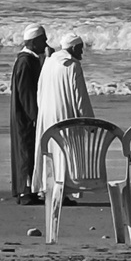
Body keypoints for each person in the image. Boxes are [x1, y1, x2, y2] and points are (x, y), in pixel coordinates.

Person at [32, 33, 96, 197]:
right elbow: (80, 96)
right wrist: (89, 122)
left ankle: (46, 187)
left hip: (46, 113)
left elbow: (40, 89)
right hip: (64, 113)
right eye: (80, 49)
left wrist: (41, 110)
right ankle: (65, 189)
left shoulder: (49, 61)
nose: (81, 54)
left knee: (49, 151)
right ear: (73, 48)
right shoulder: (72, 65)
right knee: (65, 150)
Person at [8, 24, 48, 204]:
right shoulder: (25, 62)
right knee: (25, 150)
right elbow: (26, 94)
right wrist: (36, 116)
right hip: (24, 117)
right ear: (33, 42)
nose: (46, 42)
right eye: (43, 39)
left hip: (25, 115)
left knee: (27, 150)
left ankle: (27, 189)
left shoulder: (29, 60)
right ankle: (25, 191)